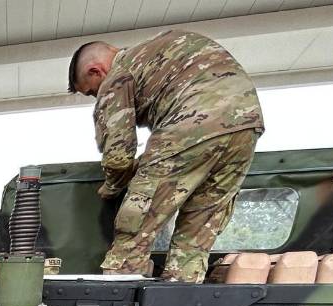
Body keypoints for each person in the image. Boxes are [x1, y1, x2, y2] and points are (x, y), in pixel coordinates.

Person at [68, 30, 264, 282]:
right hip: (246, 128)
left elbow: (118, 155)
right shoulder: (166, 44)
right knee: (194, 239)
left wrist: (114, 186)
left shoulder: (117, 75)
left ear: (96, 71)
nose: (96, 96)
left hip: (191, 124)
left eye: (91, 92)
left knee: (131, 239)